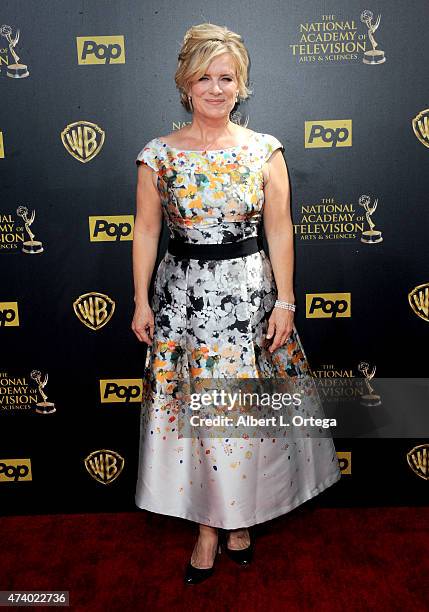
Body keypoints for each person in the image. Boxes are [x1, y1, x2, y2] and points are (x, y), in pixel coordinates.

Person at [132, 22, 341, 584]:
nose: (216, 88)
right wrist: (139, 300)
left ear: (241, 84)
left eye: (227, 77)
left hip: (249, 299)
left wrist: (287, 303)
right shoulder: (158, 156)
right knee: (199, 421)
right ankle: (207, 527)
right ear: (185, 83)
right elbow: (147, 232)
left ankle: (241, 520)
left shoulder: (263, 151)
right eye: (205, 77)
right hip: (183, 301)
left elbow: (281, 231)